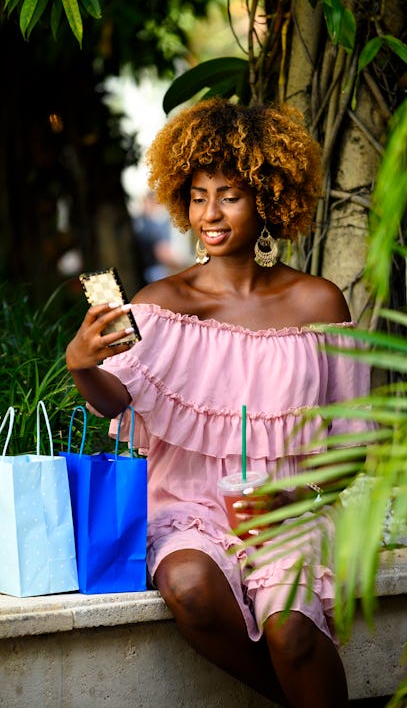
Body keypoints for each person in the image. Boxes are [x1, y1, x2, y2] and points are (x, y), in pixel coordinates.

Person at [65, 98, 370, 708]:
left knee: (293, 631)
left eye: (229, 194)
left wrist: (291, 498)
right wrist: (82, 364)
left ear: (268, 197)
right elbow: (118, 400)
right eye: (199, 195)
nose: (210, 213)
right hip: (187, 510)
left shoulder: (320, 304)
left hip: (288, 511)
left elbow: (352, 445)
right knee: (192, 589)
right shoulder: (162, 303)